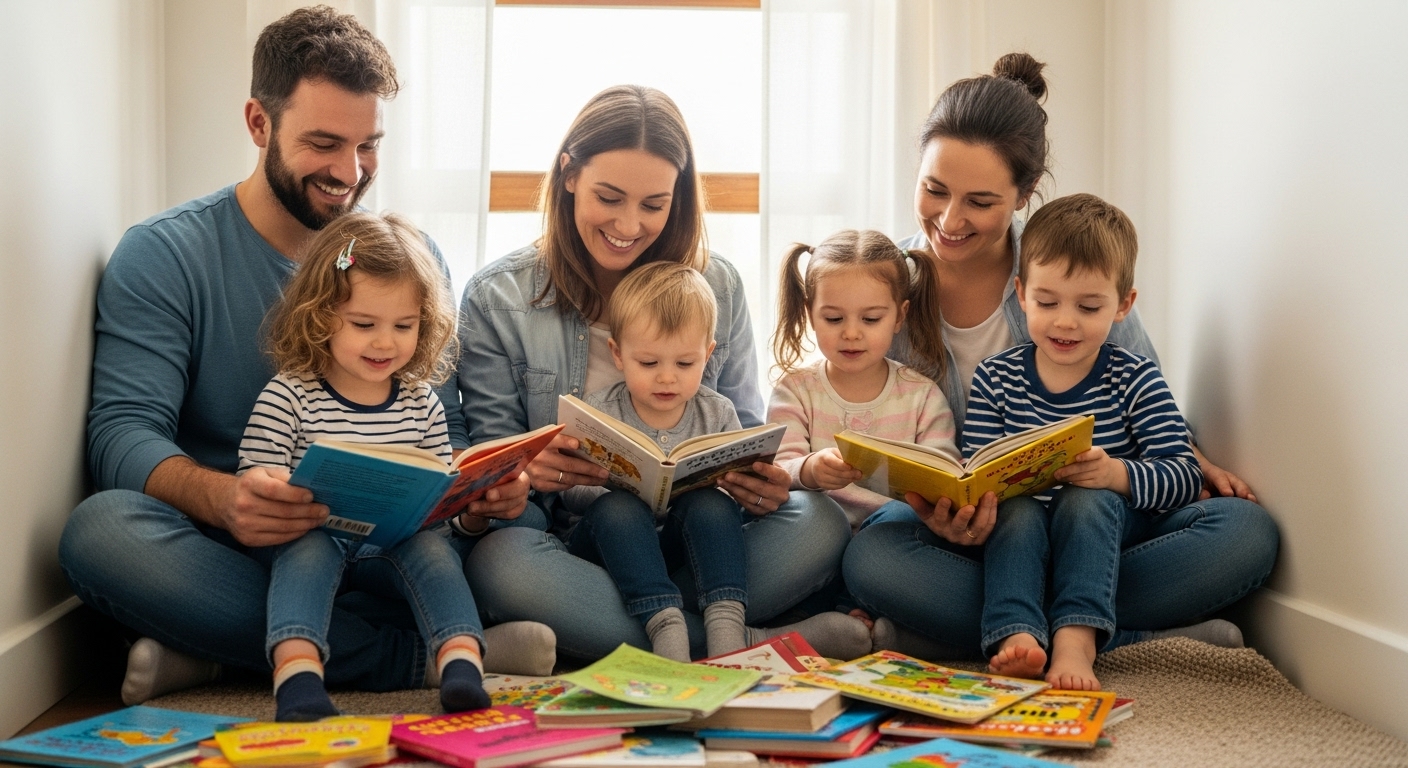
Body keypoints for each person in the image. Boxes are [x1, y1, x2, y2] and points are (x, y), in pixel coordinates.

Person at [58, 6, 546, 705]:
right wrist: (225, 499)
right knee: (100, 533)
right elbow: (121, 436)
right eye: (324, 143)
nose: (350, 172)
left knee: (514, 531)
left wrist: (480, 491)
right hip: (245, 550)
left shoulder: (407, 260)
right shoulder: (165, 254)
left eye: (368, 144)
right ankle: (409, 657)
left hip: (389, 550)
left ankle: (235, 653)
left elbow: (443, 427)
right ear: (259, 124)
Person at [844, 52, 1279, 658]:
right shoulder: (883, 282)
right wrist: (943, 510)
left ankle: (1009, 627)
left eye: (980, 201)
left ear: (1023, 195)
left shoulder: (1066, 272)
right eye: (934, 189)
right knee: (872, 556)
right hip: (987, 530)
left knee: (1246, 533)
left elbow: (1139, 385)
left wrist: (1187, 461)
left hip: (1092, 519)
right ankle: (1122, 634)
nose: (950, 219)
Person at [459, 85, 868, 661]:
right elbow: (489, 463)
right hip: (581, 548)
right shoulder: (497, 297)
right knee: (500, 564)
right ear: (569, 174)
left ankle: (656, 637)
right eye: (610, 197)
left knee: (819, 520)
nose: (629, 224)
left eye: (654, 205)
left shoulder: (716, 284)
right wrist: (526, 471)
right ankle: (742, 642)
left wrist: (761, 481)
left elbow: (746, 434)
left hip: (702, 539)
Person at [238, 213, 496, 719]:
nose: (385, 342)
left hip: (388, 550)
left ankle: (461, 664)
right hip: (313, 539)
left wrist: (467, 509)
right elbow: (255, 476)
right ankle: (298, 677)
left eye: (404, 326)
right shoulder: (290, 395)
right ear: (319, 314)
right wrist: (273, 485)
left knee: (432, 550)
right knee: (307, 547)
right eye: (364, 325)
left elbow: (436, 499)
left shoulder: (421, 403)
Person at [969, 195, 1203, 690]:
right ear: (1021, 295)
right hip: (1019, 544)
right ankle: (1020, 635)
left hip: (1108, 539)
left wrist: (1116, 474)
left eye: (1089, 306)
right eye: (1048, 302)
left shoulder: (1134, 377)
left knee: (1246, 529)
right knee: (1013, 511)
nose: (1066, 321)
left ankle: (1076, 641)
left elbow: (1184, 474)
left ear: (1123, 306)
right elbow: (975, 471)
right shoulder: (994, 378)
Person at [562, 262, 755, 661]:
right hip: (612, 548)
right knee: (617, 508)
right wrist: (613, 481)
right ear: (617, 353)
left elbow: (737, 496)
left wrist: (730, 485)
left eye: (685, 364)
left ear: (708, 354)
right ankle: (666, 624)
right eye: (648, 364)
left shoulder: (717, 414)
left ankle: (726, 626)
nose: (667, 378)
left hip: (684, 549)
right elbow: (571, 494)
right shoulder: (597, 413)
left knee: (713, 505)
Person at [767, 229, 956, 531]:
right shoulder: (795, 390)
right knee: (813, 516)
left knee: (898, 519)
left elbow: (944, 473)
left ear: (899, 317)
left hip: (891, 537)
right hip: (817, 535)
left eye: (870, 319)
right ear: (810, 313)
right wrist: (809, 469)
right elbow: (777, 471)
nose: (851, 333)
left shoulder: (921, 395)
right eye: (833, 319)